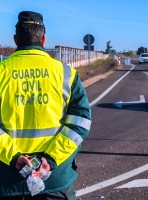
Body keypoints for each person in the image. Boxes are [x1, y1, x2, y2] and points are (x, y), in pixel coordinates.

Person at [0, 11, 92, 199]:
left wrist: (15, 157)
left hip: (7, 179)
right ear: (43, 39)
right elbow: (81, 122)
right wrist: (50, 160)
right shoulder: (67, 74)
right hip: (54, 179)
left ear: (16, 39)